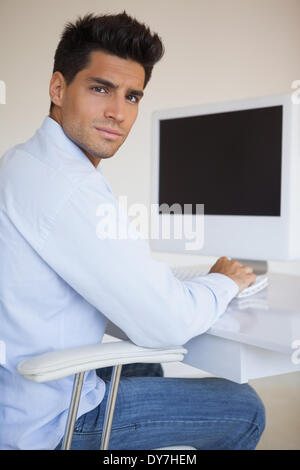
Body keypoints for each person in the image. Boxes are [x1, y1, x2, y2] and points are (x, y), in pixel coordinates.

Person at [0, 11, 265, 450]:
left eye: (133, 96)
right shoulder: (69, 188)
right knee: (245, 408)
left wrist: (160, 285)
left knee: (143, 367)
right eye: (100, 88)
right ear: (58, 88)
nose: (118, 113)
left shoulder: (20, 161)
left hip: (15, 393)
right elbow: (166, 324)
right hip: (46, 425)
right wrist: (225, 282)